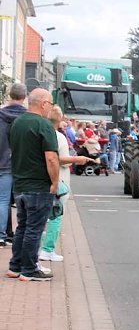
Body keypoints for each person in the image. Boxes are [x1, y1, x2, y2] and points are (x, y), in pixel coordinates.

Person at [6, 89, 59, 282]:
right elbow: (51, 158)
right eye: (51, 104)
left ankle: (15, 265)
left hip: (19, 183)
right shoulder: (43, 125)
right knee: (34, 229)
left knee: (23, 226)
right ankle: (29, 269)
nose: (51, 108)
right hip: (38, 185)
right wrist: (54, 182)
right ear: (44, 104)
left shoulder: (17, 123)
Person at [40, 106, 97, 262]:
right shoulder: (59, 137)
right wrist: (77, 159)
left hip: (40, 180)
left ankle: (39, 248)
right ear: (59, 120)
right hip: (57, 180)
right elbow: (58, 159)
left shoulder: (39, 134)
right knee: (55, 216)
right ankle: (47, 249)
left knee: (40, 218)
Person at [0, 83, 28, 247]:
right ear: (24, 97)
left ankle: (2, 235)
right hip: (21, 165)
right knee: (23, 201)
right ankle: (21, 234)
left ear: (10, 95)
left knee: (2, 200)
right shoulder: (28, 117)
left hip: (2, 162)